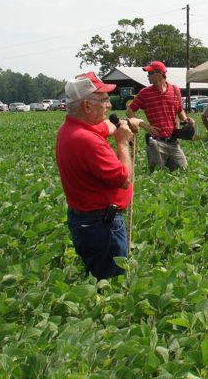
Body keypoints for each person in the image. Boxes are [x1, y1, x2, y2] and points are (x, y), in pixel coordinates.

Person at [56, 72, 140, 280]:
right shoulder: (87, 141)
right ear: (86, 106)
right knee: (111, 283)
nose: (109, 105)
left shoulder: (71, 129)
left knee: (99, 277)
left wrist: (123, 124)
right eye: (104, 100)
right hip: (102, 225)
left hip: (88, 221)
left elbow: (106, 126)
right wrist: (122, 142)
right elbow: (124, 179)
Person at [126, 61, 194, 172]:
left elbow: (180, 111)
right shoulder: (144, 93)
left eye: (150, 73)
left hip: (173, 142)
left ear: (160, 73)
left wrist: (187, 121)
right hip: (156, 142)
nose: (148, 76)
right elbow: (129, 111)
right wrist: (145, 126)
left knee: (184, 171)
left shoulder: (175, 90)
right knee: (157, 174)